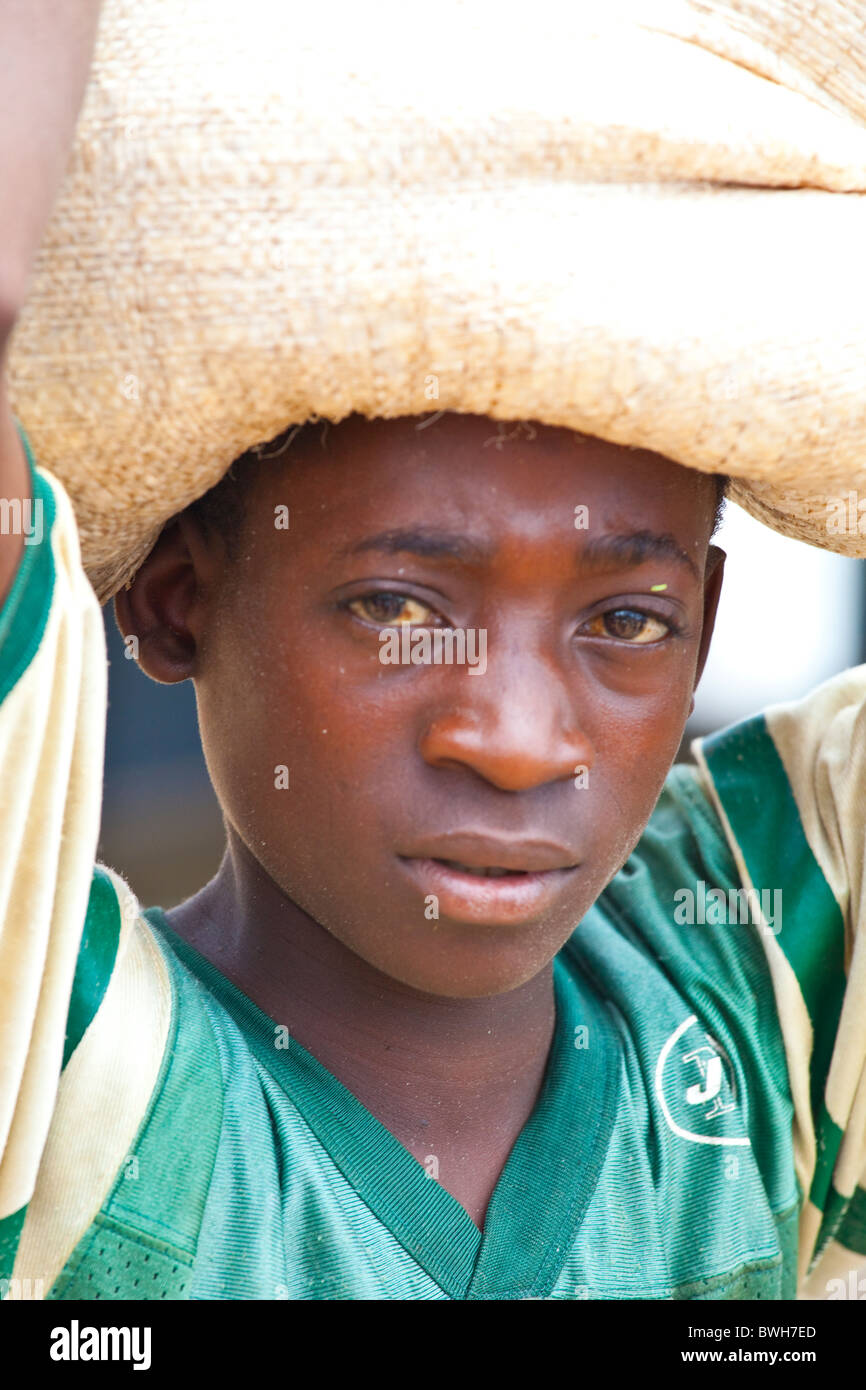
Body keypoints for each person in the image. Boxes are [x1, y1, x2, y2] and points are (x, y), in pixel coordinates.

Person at [2, 0, 866, 1301]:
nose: (519, 741)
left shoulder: (767, 1006)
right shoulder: (66, 1081)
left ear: (705, 633)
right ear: (175, 599)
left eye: (625, 621)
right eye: (399, 609)